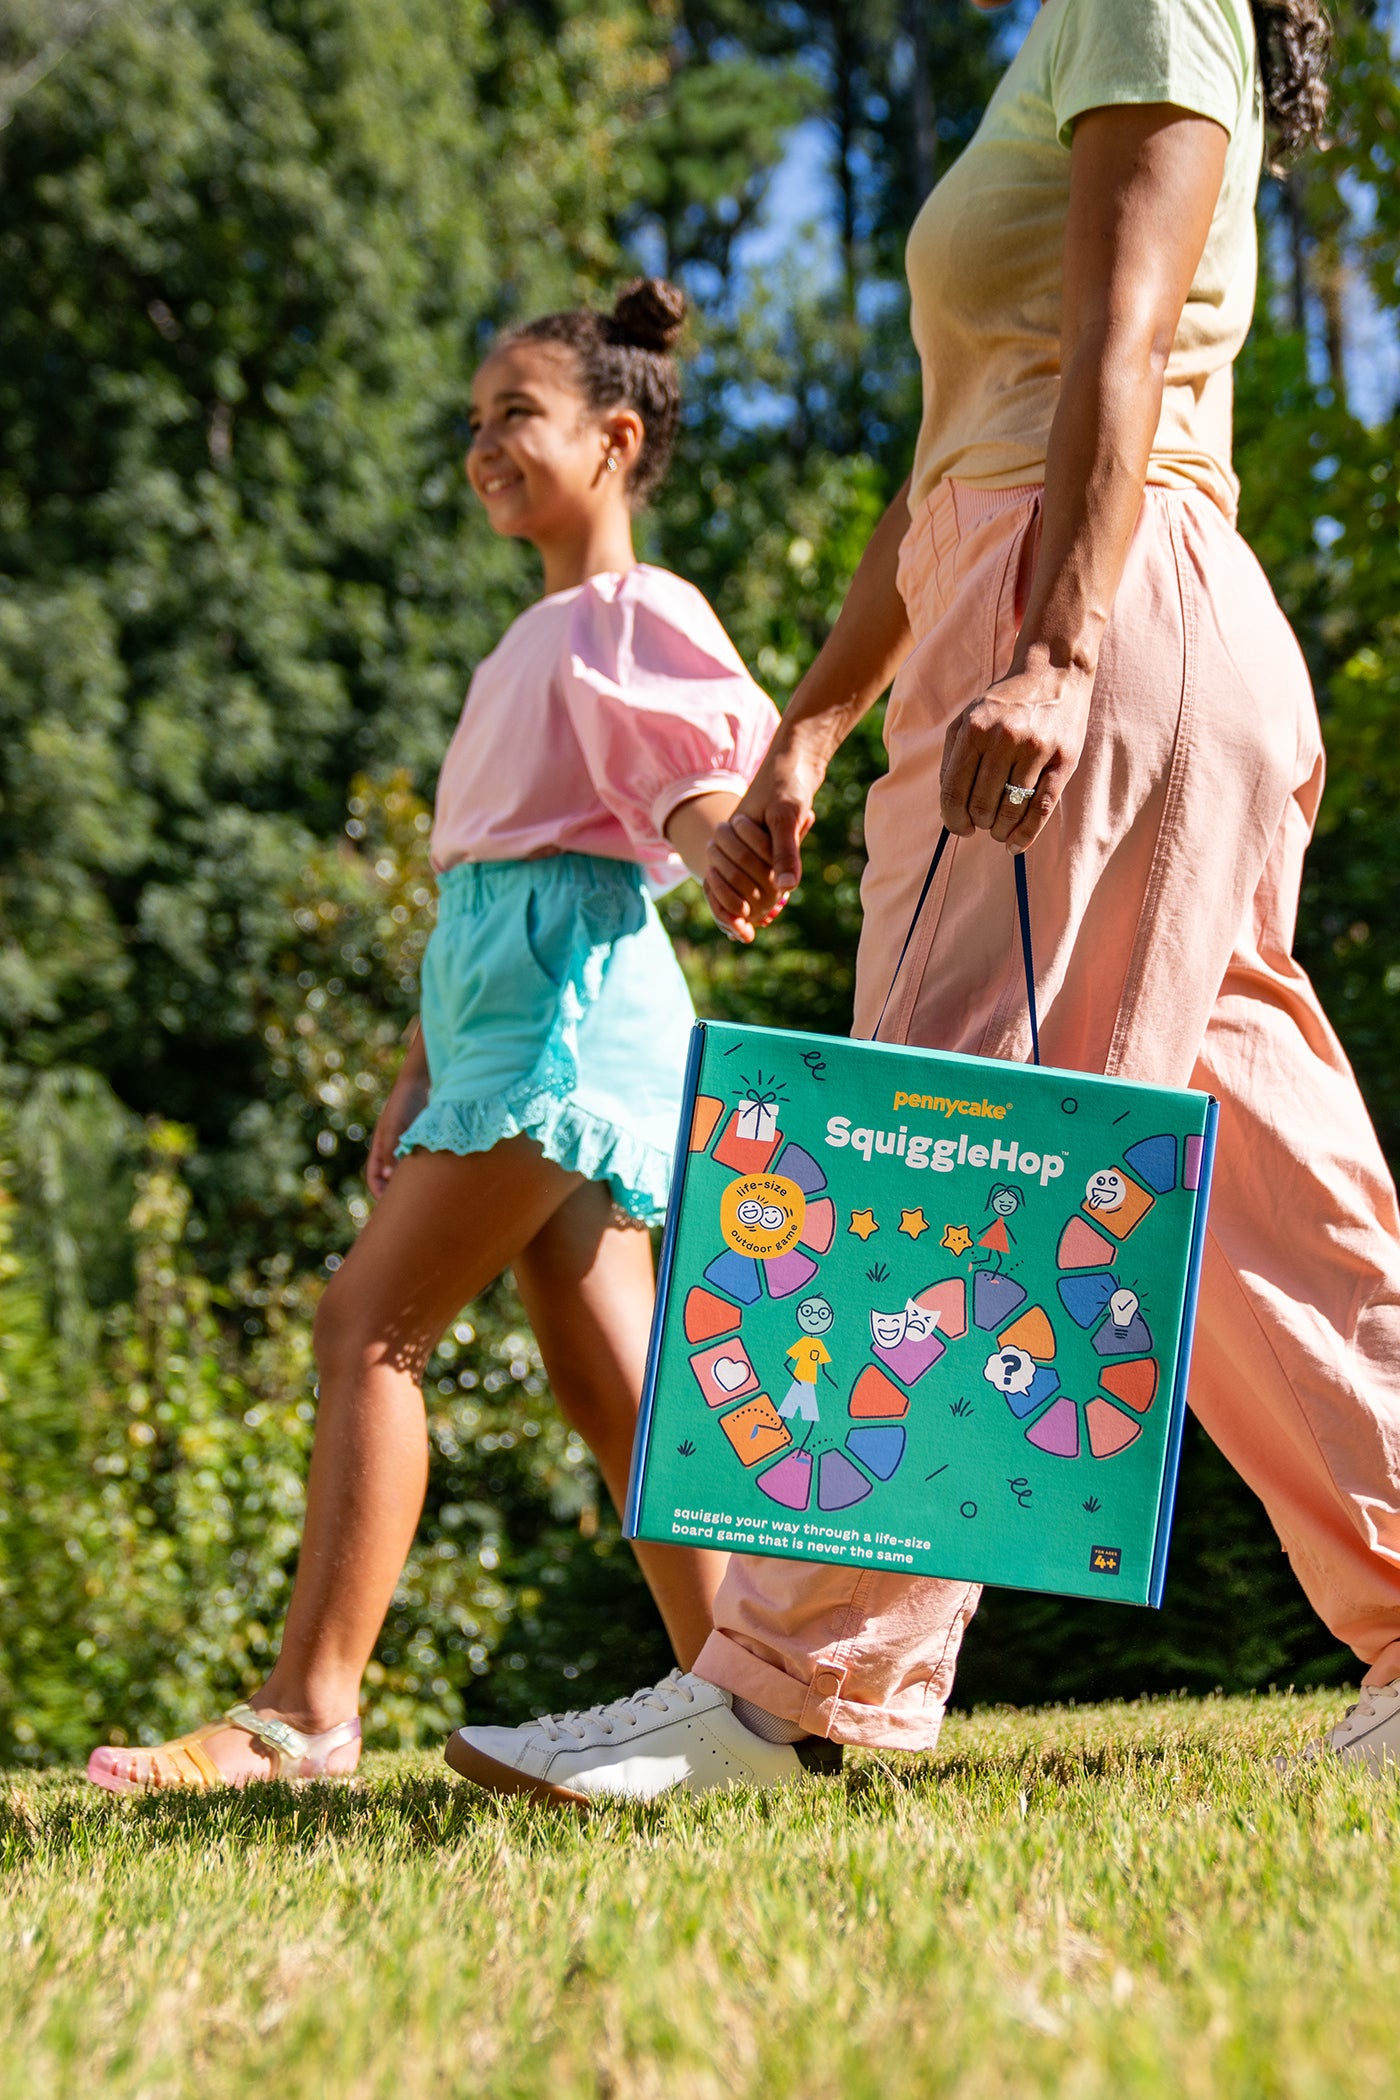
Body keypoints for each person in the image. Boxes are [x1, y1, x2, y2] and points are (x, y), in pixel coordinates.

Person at [446, 0, 1400, 1803]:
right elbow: (958, 445)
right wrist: (810, 724)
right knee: (1260, 1183)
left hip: (1094, 612)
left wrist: (1050, 646)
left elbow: (1122, 342)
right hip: (1081, 606)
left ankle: (791, 1693)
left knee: (949, 1144)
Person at [85, 278, 779, 1793]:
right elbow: (479, 876)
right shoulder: (531, 634)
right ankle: (756, 1703)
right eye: (472, 424)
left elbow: (688, 772)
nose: (482, 447)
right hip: (498, 1017)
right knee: (619, 1389)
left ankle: (307, 1714)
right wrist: (417, 1068)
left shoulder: (627, 610)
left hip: (564, 1011)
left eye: (513, 416)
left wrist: (726, 836)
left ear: (612, 438)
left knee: (369, 1324)